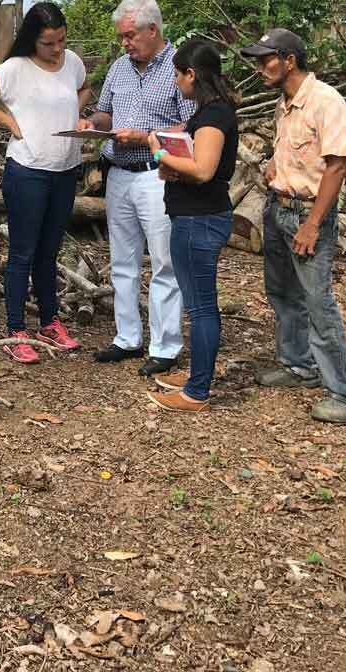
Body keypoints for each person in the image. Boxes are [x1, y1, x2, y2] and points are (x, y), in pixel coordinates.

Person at [240, 28, 346, 424]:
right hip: (279, 209)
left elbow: (337, 167)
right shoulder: (285, 105)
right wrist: (275, 169)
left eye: (266, 60)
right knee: (282, 292)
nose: (260, 68)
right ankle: (299, 365)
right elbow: (296, 156)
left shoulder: (326, 101)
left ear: (289, 60)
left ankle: (343, 392)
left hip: (307, 215)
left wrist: (312, 224)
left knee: (317, 301)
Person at [0, 1, 90, 363]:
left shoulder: (73, 63)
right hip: (28, 170)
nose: (57, 49)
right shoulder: (15, 68)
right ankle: (15, 330)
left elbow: (85, 88)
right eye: (48, 43)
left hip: (66, 170)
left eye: (62, 40)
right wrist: (8, 122)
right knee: (23, 252)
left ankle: (49, 322)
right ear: (32, 39)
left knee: (50, 252)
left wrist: (77, 114)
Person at [86, 0, 195, 377]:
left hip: (157, 173)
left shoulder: (180, 66)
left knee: (164, 261)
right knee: (122, 259)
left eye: (130, 36)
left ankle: (165, 346)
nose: (125, 43)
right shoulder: (119, 67)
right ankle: (127, 337)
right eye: (121, 37)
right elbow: (106, 112)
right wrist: (92, 124)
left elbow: (192, 124)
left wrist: (146, 135)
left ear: (153, 30)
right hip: (119, 171)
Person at [142, 40, 238, 413]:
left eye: (177, 74)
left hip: (200, 220)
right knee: (199, 304)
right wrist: (173, 168)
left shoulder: (214, 117)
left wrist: (160, 153)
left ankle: (196, 392)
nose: (175, 81)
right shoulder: (210, 111)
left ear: (192, 74)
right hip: (195, 216)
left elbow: (203, 170)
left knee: (201, 308)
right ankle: (198, 374)